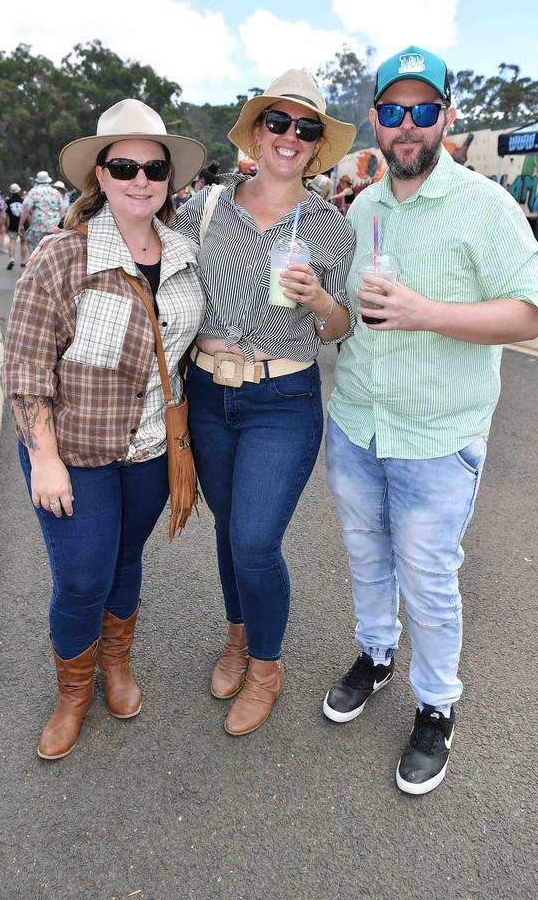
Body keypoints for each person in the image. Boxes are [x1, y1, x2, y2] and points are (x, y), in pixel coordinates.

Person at [323, 46, 538, 794]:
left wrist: (429, 313)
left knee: (428, 577)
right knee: (365, 556)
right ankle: (377, 653)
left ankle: (436, 705)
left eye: (424, 111)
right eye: (394, 112)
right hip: (358, 424)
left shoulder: (484, 206)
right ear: (376, 123)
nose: (408, 125)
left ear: (447, 118)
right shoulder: (363, 207)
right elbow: (351, 316)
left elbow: (529, 313)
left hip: (437, 438)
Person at [0, 100, 206, 760]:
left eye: (154, 166)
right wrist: (46, 458)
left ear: (171, 177)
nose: (140, 178)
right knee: (83, 577)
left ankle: (115, 664)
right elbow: (26, 367)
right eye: (125, 165)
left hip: (149, 450)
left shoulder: (184, 254)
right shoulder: (64, 255)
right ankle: (72, 691)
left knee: (124, 560)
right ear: (101, 173)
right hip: (74, 453)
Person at [174, 70, 357, 736]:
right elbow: (161, 274)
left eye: (306, 129)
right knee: (228, 529)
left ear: (317, 148)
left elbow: (341, 328)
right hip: (205, 391)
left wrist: (319, 301)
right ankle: (238, 633)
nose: (290, 137)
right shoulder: (206, 209)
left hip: (283, 397)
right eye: (278, 123)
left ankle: (267, 667)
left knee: (254, 538)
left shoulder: (331, 229)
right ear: (256, 132)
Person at [18, 170, 63, 255]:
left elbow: (26, 209)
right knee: (52, 251)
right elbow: (62, 210)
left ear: (37, 181)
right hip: (54, 227)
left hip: (38, 227)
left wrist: (21, 225)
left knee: (36, 250)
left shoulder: (33, 192)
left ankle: (37, 265)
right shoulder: (56, 192)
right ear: (48, 180)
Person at [5, 183, 27, 270]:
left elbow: (5, 215)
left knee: (12, 242)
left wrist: (6, 225)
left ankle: (11, 259)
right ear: (19, 191)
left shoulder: (8, 202)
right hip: (23, 226)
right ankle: (23, 261)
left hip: (12, 225)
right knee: (23, 242)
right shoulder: (23, 201)